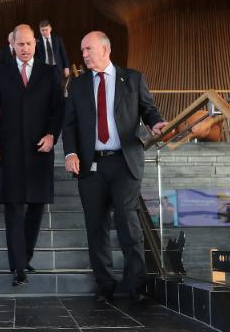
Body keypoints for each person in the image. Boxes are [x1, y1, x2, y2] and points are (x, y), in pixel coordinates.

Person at [62, 31, 167, 303]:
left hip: (124, 162)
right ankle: (105, 284)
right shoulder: (79, 85)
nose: (84, 55)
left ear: (105, 49)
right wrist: (70, 152)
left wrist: (156, 122)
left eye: (88, 49)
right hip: (91, 165)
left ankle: (136, 285)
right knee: (96, 227)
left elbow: (148, 109)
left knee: (128, 224)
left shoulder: (132, 78)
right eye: (82, 50)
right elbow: (70, 123)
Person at [0, 24, 64, 286]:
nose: (25, 48)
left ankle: (25, 257)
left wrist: (53, 135)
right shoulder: (1, 72)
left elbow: (58, 110)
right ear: (13, 45)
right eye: (20, 44)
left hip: (40, 150)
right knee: (14, 208)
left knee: (36, 208)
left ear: (36, 44)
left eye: (29, 44)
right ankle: (18, 266)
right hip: (9, 151)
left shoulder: (50, 73)